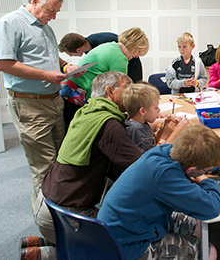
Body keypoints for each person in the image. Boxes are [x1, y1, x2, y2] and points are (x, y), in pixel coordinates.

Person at [29, 71, 191, 259]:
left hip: (49, 203)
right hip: (68, 216)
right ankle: (50, 253)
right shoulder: (110, 125)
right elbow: (147, 171)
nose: (132, 92)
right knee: (125, 239)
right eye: (126, 88)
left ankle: (48, 244)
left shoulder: (89, 111)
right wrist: (172, 137)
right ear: (109, 91)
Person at [0, 0, 84, 208]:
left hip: (53, 101)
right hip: (30, 105)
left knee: (59, 162)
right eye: (51, 10)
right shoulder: (10, 23)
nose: (53, 16)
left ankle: (58, 214)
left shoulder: (45, 27)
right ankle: (49, 225)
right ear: (34, 2)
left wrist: (66, 66)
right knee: (43, 168)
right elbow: (3, 63)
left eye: (56, 12)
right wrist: (45, 74)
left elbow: (49, 59)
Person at [98, 125, 220, 260]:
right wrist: (204, 180)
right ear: (191, 170)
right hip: (127, 246)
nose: (206, 173)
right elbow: (211, 208)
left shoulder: (165, 151)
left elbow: (195, 157)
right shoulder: (166, 177)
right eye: (206, 170)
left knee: (197, 226)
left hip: (122, 226)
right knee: (208, 252)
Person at [61, 27, 149, 127]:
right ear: (133, 46)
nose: (137, 56)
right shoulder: (120, 58)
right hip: (77, 95)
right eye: (138, 51)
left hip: (68, 90)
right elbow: (121, 92)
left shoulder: (110, 46)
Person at [58, 32, 144, 83]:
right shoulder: (91, 45)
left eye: (70, 54)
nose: (71, 56)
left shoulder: (105, 43)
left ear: (78, 50)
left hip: (132, 67)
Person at [123, 83, 181, 152]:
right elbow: (152, 155)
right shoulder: (137, 129)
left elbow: (152, 140)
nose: (159, 110)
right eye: (156, 108)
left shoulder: (140, 122)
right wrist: (165, 136)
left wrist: (164, 128)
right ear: (143, 111)